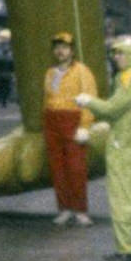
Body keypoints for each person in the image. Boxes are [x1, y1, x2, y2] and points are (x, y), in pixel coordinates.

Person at [76, 35, 131, 261]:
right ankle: (125, 248)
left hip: (126, 143)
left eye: (120, 53)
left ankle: (128, 251)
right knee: (124, 198)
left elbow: (111, 109)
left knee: (123, 200)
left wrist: (88, 101)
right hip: (129, 141)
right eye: (115, 54)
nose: (116, 58)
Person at [42, 29, 97, 226]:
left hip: (72, 120)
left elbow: (90, 99)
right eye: (57, 48)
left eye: (64, 48)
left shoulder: (82, 71)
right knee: (57, 168)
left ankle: (81, 210)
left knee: (76, 168)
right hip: (52, 121)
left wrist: (84, 125)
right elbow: (47, 98)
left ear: (72, 51)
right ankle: (64, 208)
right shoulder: (50, 72)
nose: (60, 51)